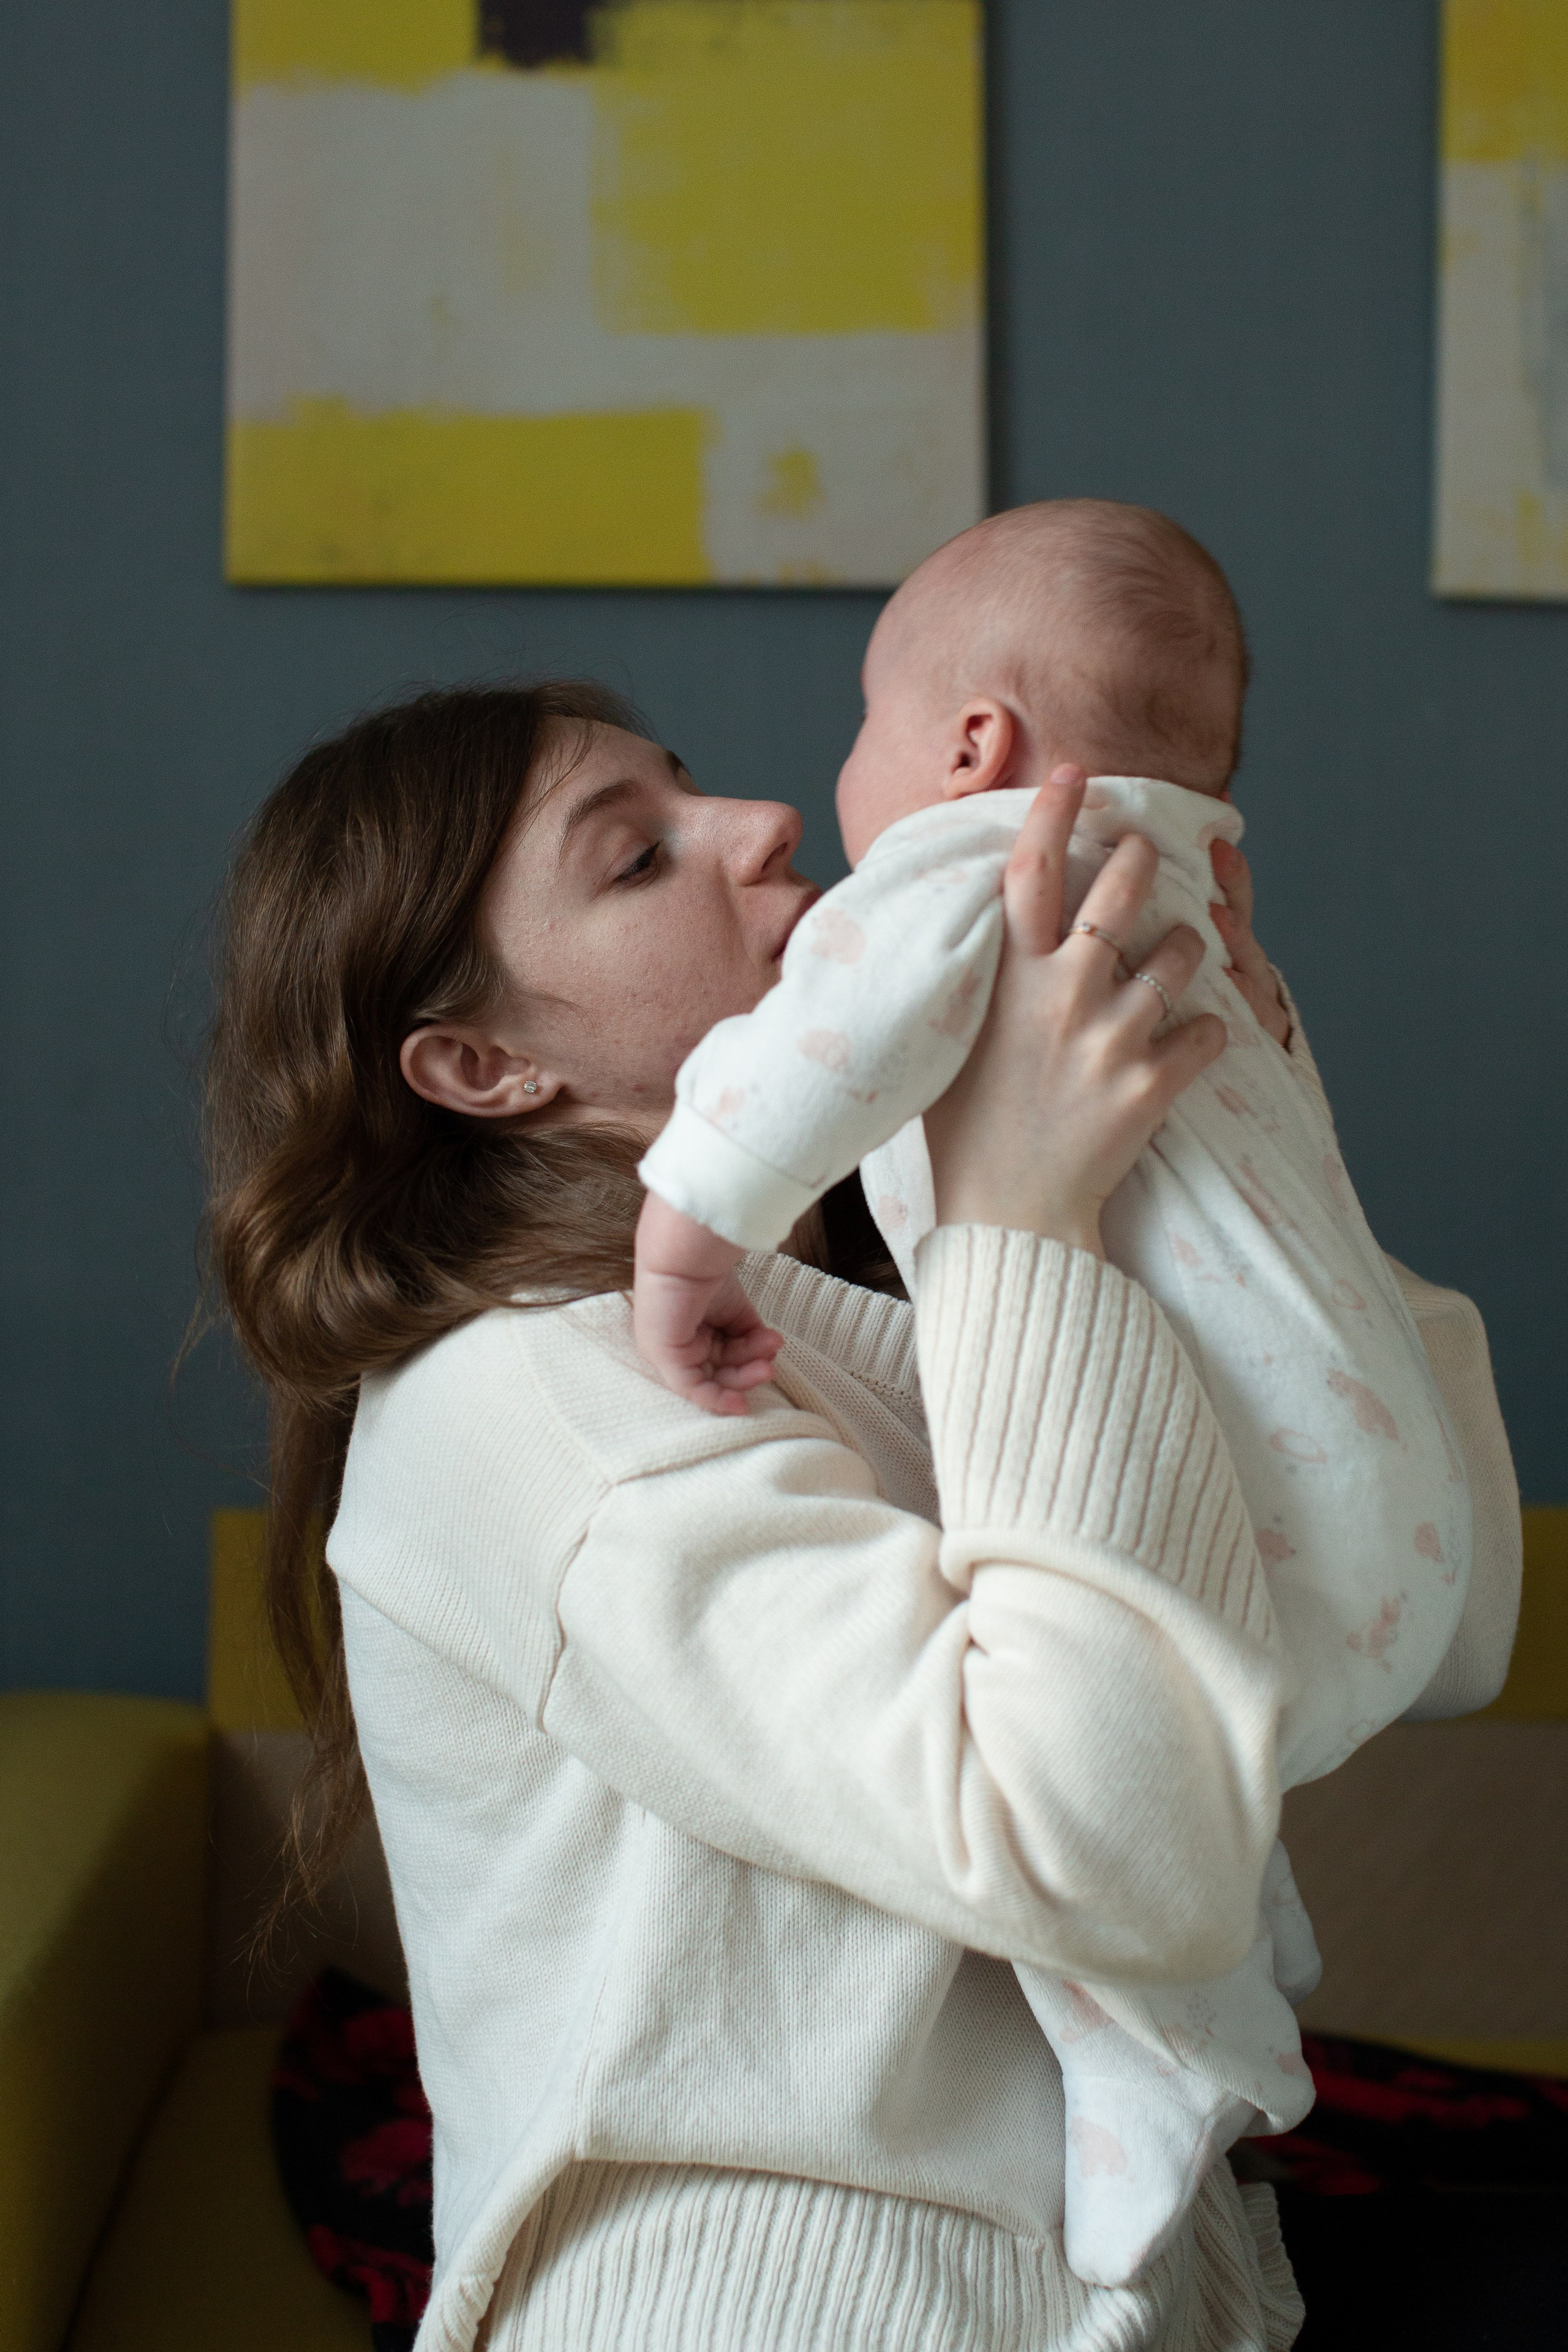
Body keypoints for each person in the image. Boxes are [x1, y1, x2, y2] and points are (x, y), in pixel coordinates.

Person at [205, 677, 1517, 2352]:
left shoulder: (875, 1278)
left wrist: (1261, 1110)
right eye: (636, 858)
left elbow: (1453, 1624)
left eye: (695, 787)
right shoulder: (525, 1401)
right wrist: (1021, 1215)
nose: (757, 824)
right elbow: (1112, 1859)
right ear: (482, 1065)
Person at [630, 502, 1515, 2285]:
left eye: (864, 722)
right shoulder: (1180, 899)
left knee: (1154, 1788)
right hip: (1386, 1514)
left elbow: (818, 1044)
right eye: (635, 854)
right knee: (1190, 1777)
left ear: (974, 747)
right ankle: (1219, 2026)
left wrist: (686, 1231)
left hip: (1274, 1520)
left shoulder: (976, 871)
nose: (808, 803)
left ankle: (1168, 2066)